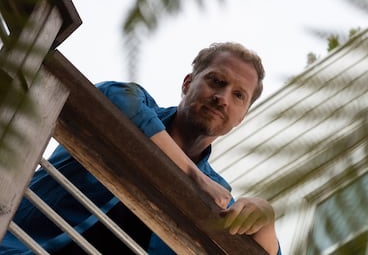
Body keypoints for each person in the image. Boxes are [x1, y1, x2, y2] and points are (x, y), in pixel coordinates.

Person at [0, 42, 280, 254]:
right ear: (188, 83)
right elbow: (116, 100)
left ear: (241, 117)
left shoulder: (218, 194)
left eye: (238, 95)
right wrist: (195, 178)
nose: (222, 98)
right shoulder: (134, 102)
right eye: (216, 82)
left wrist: (266, 219)